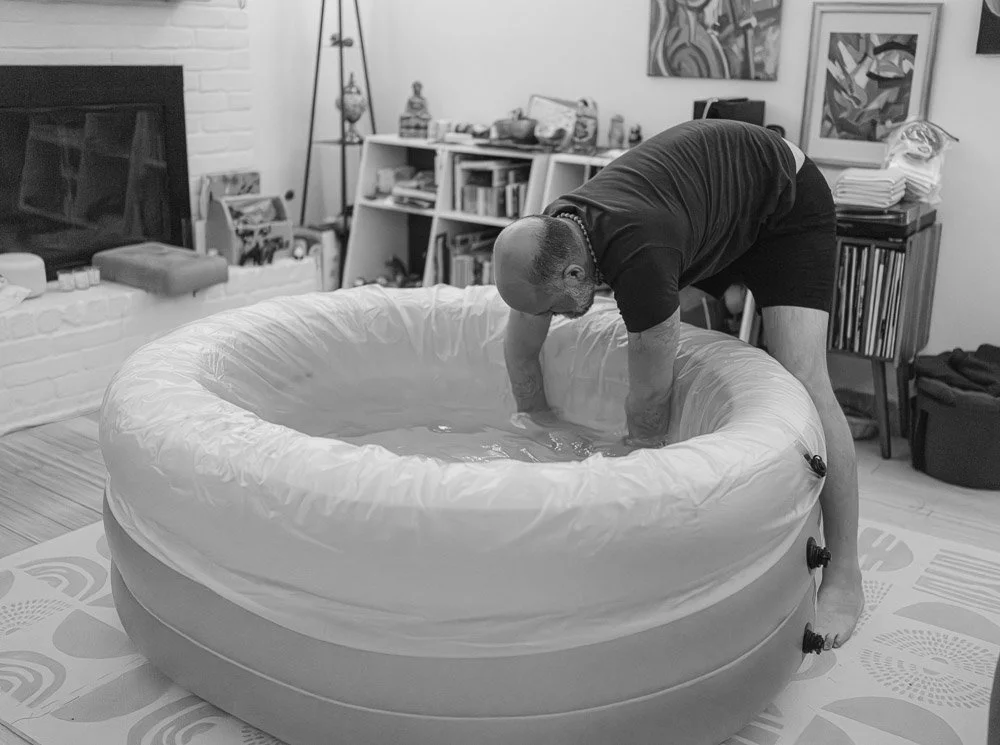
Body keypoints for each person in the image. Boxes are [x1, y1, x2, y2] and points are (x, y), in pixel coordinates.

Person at [492, 118, 864, 651]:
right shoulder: (553, 238)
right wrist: (537, 426)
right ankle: (737, 295)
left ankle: (847, 572)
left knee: (802, 374)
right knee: (692, 331)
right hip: (711, 207)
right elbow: (520, 347)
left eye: (552, 309)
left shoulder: (638, 255)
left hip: (784, 201)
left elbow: (648, 405)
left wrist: (621, 491)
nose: (549, 318)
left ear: (575, 277)